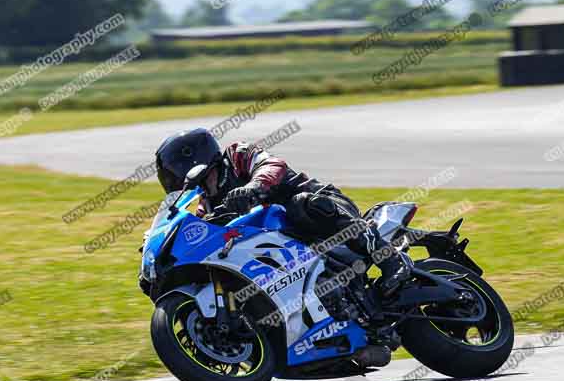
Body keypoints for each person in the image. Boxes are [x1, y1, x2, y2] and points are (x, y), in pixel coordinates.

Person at [154, 128, 412, 304]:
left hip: (320, 206)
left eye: (171, 172)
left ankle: (390, 260)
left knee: (303, 203)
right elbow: (206, 230)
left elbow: (272, 165)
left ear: (190, 159)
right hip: (291, 247)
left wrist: (253, 187)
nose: (172, 180)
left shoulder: (237, 156)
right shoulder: (206, 203)